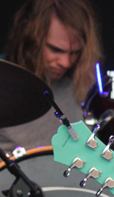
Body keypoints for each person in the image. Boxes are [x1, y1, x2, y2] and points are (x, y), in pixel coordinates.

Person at [0, 0, 102, 152]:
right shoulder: (4, 79)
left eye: (75, 53)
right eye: (56, 50)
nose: (66, 62)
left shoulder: (85, 88)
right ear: (30, 39)